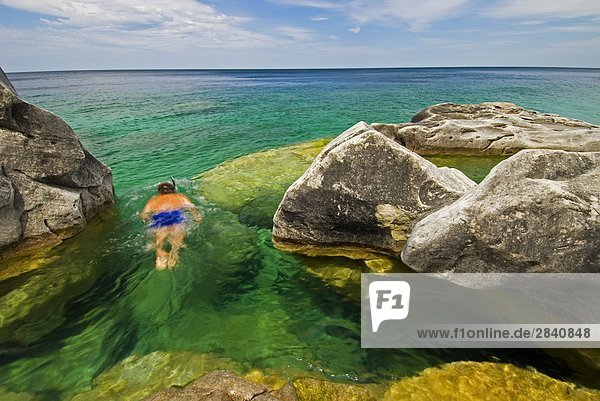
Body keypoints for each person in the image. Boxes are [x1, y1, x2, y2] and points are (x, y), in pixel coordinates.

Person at [140, 181, 202, 270]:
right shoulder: (180, 196)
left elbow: (143, 215)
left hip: (160, 219)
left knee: (159, 245)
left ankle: (160, 261)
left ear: (159, 192)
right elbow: (192, 209)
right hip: (176, 217)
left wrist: (149, 221)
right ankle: (174, 256)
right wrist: (197, 217)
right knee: (176, 244)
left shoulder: (153, 200)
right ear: (173, 190)